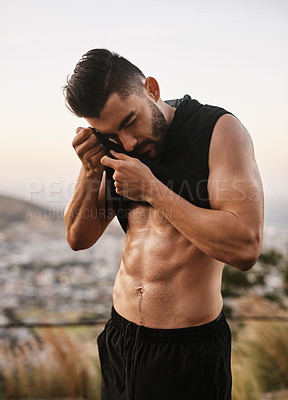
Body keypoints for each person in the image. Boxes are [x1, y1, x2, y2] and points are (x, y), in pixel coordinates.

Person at [63, 48, 264, 400]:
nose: (127, 143)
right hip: (120, 339)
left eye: (129, 122)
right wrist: (91, 170)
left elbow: (246, 247)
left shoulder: (217, 131)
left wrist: (154, 191)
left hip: (188, 351)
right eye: (109, 134)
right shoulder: (115, 144)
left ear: (151, 89)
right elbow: (78, 238)